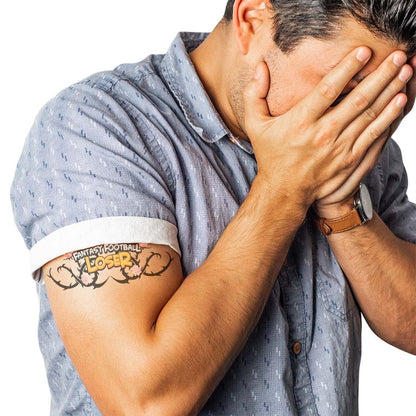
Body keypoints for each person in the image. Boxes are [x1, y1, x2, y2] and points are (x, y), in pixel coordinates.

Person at [10, 0, 416, 414]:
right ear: (251, 20)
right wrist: (284, 189)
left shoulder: (356, 144)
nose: (361, 115)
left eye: (387, 93)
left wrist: (342, 205)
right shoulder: (96, 128)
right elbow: (146, 402)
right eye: (345, 87)